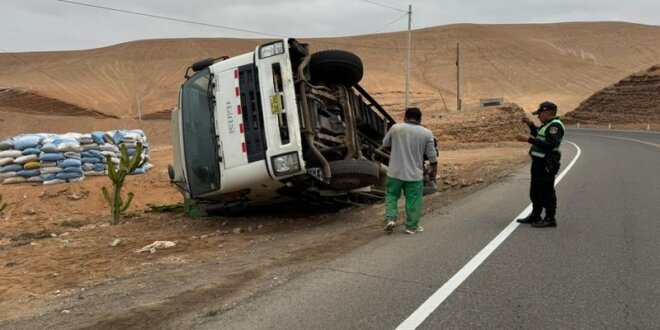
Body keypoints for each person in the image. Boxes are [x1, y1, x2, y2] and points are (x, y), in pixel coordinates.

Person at [381, 107, 438, 234]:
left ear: (405, 117)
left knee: (391, 195)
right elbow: (432, 156)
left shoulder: (395, 128)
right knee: (413, 200)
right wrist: (434, 171)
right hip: (414, 175)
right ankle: (411, 226)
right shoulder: (427, 133)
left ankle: (390, 219)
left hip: (394, 173)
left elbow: (385, 143)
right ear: (420, 119)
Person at [516, 101, 565, 228]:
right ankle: (535, 214)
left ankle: (550, 218)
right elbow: (539, 134)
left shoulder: (555, 126)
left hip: (546, 163)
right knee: (535, 190)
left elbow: (550, 144)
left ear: (547, 112)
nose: (538, 117)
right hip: (538, 163)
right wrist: (531, 125)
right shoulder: (547, 125)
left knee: (546, 191)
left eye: (540, 114)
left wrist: (528, 139)